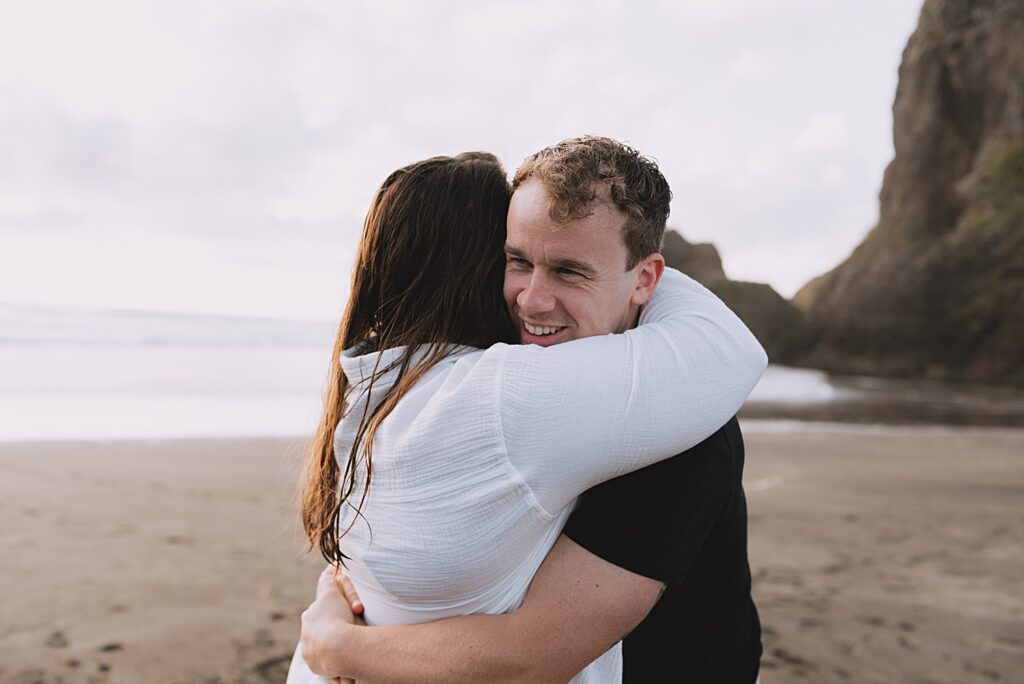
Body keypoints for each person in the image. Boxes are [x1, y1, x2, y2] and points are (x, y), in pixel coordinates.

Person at [289, 144, 767, 683]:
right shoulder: (490, 390)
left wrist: (337, 646)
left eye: (569, 270)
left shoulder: (683, 429)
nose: (533, 300)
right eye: (516, 261)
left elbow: (529, 656)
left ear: (646, 280)